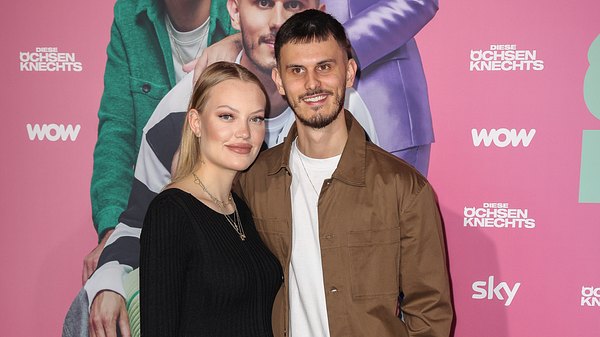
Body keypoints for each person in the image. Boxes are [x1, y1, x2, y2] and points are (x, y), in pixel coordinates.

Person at [235, 9, 453, 336]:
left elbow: (430, 313)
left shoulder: (402, 188)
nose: (312, 84)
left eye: (324, 67)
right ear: (279, 80)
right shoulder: (253, 182)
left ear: (349, 72)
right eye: (297, 70)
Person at [84, 0, 238, 282]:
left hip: (233, 216)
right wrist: (113, 232)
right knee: (106, 290)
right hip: (158, 216)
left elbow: (284, 43)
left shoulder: (240, 12)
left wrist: (239, 41)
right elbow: (116, 131)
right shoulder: (130, 16)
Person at [140, 61, 282, 336]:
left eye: (255, 119)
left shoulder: (241, 207)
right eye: (227, 116)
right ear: (196, 123)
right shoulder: (171, 212)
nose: (244, 132)